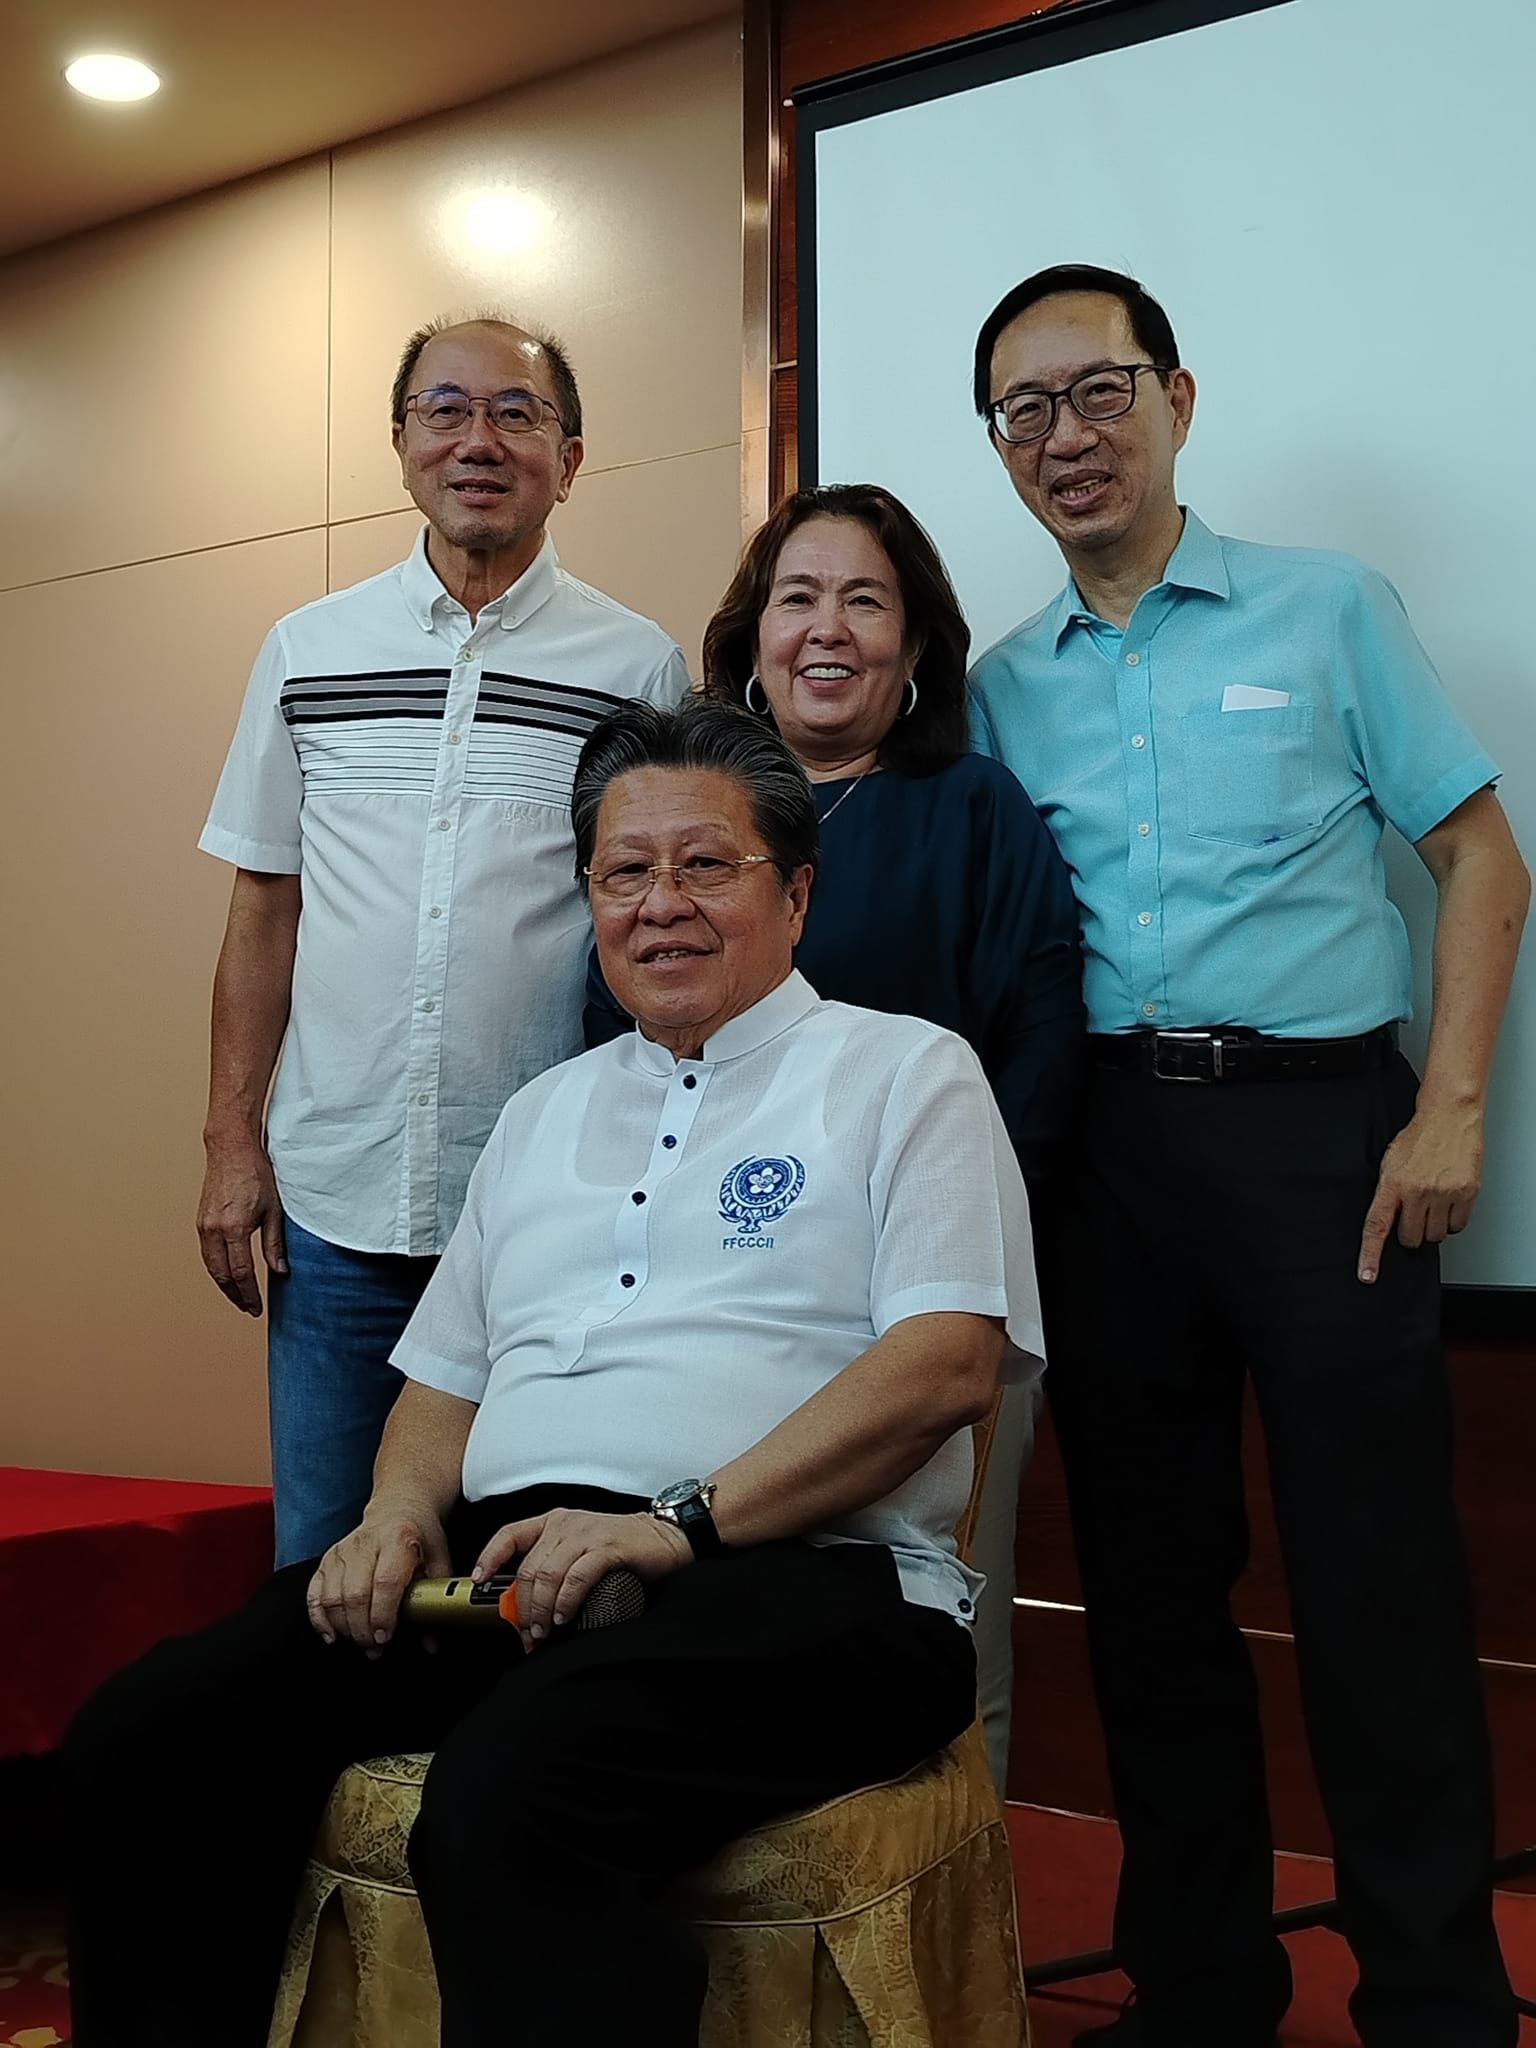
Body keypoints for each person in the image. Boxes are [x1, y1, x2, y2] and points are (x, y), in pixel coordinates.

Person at [65, 699, 1042, 2048]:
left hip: (807, 1581)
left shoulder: (907, 1073)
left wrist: (678, 1523)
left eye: (706, 865)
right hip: (514, 1580)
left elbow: (944, 1367)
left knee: (513, 1793)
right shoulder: (545, 1111)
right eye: (624, 871)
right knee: (152, 1731)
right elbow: (444, 1378)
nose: (661, 904)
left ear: (798, 893)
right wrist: (396, 1515)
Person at [967, 262, 1530, 2048]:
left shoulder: (1327, 607)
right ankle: (1202, 1988)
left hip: (1322, 1143)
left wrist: (1450, 1106)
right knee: (1149, 1591)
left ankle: (1436, 2002)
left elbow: (1481, 857)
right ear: (1001, 445)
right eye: (1026, 410)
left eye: (1100, 390)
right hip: (1110, 1158)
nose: (1068, 435)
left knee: (1379, 1584)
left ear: (1177, 399)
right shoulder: (1000, 686)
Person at [585, 482, 1084, 1791]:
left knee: (937, 1633)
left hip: (929, 1299)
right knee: (704, 1612)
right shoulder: (682, 821)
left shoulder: (975, 808)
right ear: (750, 635)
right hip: (712, 1295)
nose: (828, 627)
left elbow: (1041, 1040)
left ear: (912, 645)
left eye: (866, 600)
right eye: (797, 596)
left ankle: (942, 1904)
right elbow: (616, 1045)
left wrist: (947, 1254)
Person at [195, 313, 689, 1567]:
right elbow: (264, 909)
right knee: (324, 1570)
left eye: (518, 413)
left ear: (570, 459)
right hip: (332, 1210)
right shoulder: (308, 650)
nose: (481, 439)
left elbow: (659, 925)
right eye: (447, 409)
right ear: (402, 440)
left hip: (548, 1212)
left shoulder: (636, 666)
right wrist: (231, 1144)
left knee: (521, 1581)